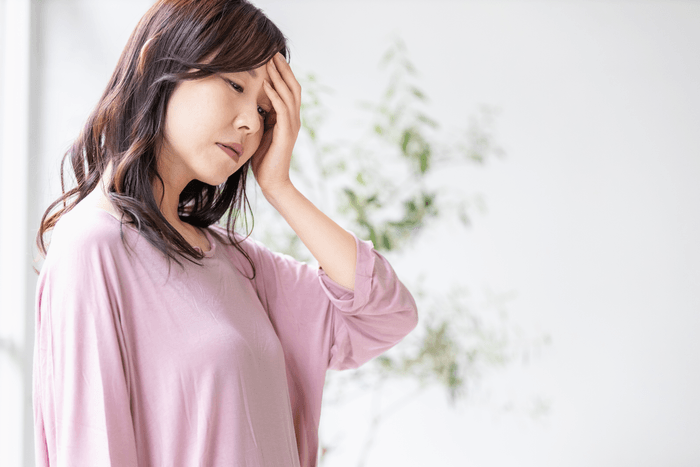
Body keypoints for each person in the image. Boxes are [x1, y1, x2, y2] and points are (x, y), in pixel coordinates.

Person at [32, 0, 419, 466]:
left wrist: (279, 188)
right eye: (236, 85)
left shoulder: (238, 264)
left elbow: (385, 314)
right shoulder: (92, 248)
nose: (251, 123)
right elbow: (92, 450)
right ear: (160, 61)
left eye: (264, 110)